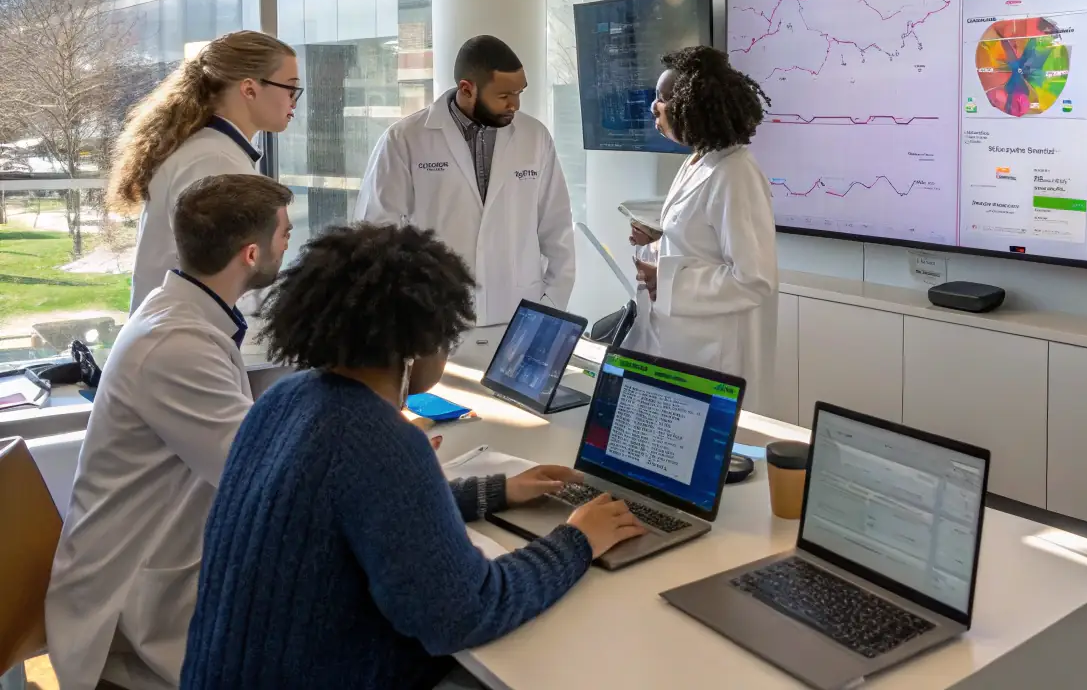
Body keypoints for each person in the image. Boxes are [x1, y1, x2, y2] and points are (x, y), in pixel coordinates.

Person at [180, 223, 644, 690]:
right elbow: (465, 613)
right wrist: (577, 540)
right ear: (421, 343)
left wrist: (493, 491)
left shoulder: (286, 399)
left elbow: (365, 512)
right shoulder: (378, 437)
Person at [46, 174, 294, 690]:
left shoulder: (187, 317)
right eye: (284, 233)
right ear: (251, 254)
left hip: (162, 560)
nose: (289, 242)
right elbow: (258, 477)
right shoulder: (176, 346)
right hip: (130, 611)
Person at [354, 35, 574, 326]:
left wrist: (551, 305)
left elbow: (557, 229)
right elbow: (378, 232)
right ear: (467, 89)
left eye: (519, 92)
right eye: (504, 95)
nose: (515, 105)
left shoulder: (535, 137)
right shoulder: (405, 139)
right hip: (434, 316)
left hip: (517, 312)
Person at [108, 30, 299, 316]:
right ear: (249, 89)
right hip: (185, 333)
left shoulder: (211, 150)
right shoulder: (214, 161)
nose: (294, 101)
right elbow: (228, 275)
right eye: (290, 88)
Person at [627, 46, 779, 383]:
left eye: (663, 97)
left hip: (716, 353)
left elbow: (753, 280)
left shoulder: (735, 173)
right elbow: (700, 243)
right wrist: (658, 239)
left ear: (689, 106)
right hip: (681, 342)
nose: (655, 106)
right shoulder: (699, 159)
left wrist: (663, 279)